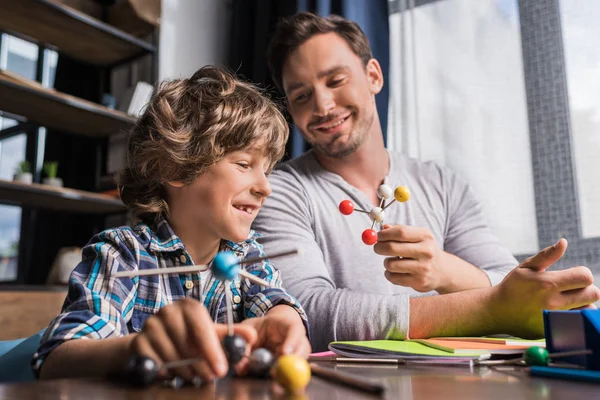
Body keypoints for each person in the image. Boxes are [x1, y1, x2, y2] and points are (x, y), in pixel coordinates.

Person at [252, 12, 600, 351]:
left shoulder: (442, 184)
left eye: (336, 81)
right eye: (301, 96)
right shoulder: (277, 191)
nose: (323, 105)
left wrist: (446, 272)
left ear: (373, 76)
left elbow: (509, 281)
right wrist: (490, 308)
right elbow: (305, 313)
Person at [33, 66, 311, 380]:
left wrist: (287, 320)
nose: (265, 187)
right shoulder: (122, 255)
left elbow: (275, 302)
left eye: (267, 170)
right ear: (175, 168)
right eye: (244, 164)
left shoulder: (248, 256)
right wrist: (136, 348)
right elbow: (56, 359)